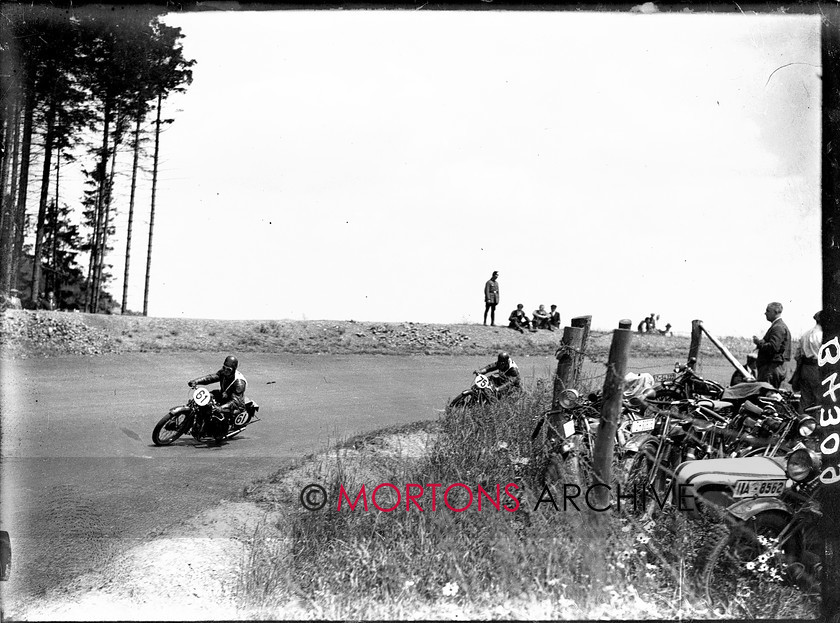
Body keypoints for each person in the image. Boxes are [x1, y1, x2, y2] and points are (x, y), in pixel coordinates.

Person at [188, 355, 248, 426]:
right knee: (206, 398)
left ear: (234, 370)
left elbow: (235, 402)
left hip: (233, 404)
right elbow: (211, 378)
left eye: (228, 369)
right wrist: (196, 381)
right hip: (223, 395)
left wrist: (221, 407)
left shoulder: (239, 383)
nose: (225, 371)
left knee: (217, 418)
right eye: (224, 368)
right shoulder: (223, 372)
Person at [751, 302, 792, 389]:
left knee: (768, 396)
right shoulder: (777, 326)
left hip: (771, 369)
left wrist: (759, 343)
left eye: (768, 311)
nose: (765, 313)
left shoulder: (778, 327)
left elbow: (773, 347)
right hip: (772, 368)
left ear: (776, 312)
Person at [791, 311, 823, 412]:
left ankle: (802, 423)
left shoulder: (806, 334)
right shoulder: (824, 335)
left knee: (805, 400)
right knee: (820, 400)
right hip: (818, 369)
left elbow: (797, 355)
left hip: (805, 369)